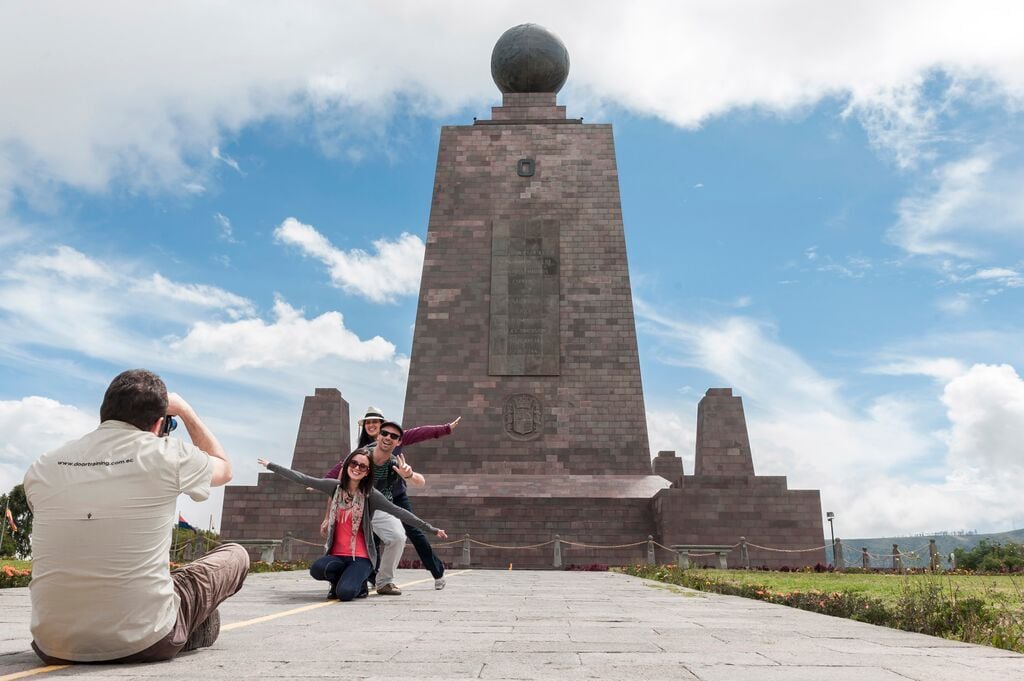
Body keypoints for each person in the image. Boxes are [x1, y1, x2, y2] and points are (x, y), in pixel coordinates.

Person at [23, 369, 249, 664]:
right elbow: (224, 468)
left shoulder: (43, 464)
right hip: (146, 640)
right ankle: (188, 625)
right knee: (235, 555)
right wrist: (187, 412)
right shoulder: (168, 454)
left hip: (52, 644)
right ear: (160, 423)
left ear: (104, 413)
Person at [257, 449, 447, 600]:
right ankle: (341, 580)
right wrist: (271, 465)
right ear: (347, 465)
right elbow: (302, 478)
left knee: (346, 594)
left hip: (361, 558)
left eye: (362, 467)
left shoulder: (371, 495)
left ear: (367, 473)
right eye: (354, 463)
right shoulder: (334, 487)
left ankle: (360, 584)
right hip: (338, 555)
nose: (357, 468)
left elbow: (401, 513)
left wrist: (432, 529)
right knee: (317, 569)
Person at [326, 407, 459, 589]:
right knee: (373, 538)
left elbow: (420, 433)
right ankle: (376, 578)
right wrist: (324, 481)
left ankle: (437, 573)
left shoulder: (395, 440)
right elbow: (343, 466)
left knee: (414, 532)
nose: (372, 425)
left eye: (375, 422)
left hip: (396, 495)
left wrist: (445, 429)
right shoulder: (362, 451)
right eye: (368, 422)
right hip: (373, 499)